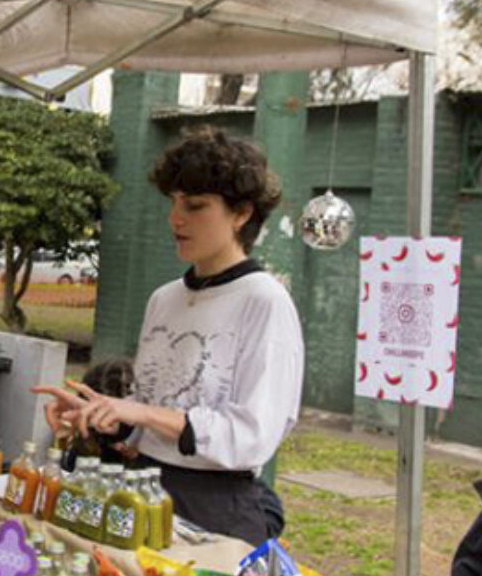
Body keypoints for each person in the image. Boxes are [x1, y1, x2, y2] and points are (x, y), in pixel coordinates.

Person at [34, 127, 303, 545]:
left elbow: (253, 433)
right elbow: (148, 411)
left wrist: (140, 414)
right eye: (174, 202)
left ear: (242, 213)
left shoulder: (264, 301)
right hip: (141, 489)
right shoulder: (164, 299)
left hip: (215, 508)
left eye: (195, 206)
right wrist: (102, 415)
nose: (176, 218)